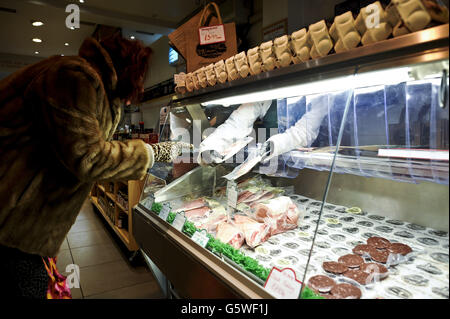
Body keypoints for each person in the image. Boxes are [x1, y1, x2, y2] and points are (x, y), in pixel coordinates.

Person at [0, 33, 190, 298]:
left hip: (20, 223)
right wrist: (154, 151)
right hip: (12, 227)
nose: (141, 87)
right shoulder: (75, 76)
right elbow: (89, 158)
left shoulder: (88, 81)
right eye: (139, 76)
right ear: (128, 69)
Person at [197, 99, 328, 165]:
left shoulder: (318, 97)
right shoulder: (266, 93)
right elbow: (237, 124)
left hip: (307, 167)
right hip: (269, 164)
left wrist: (273, 145)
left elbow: (304, 132)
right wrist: (211, 146)